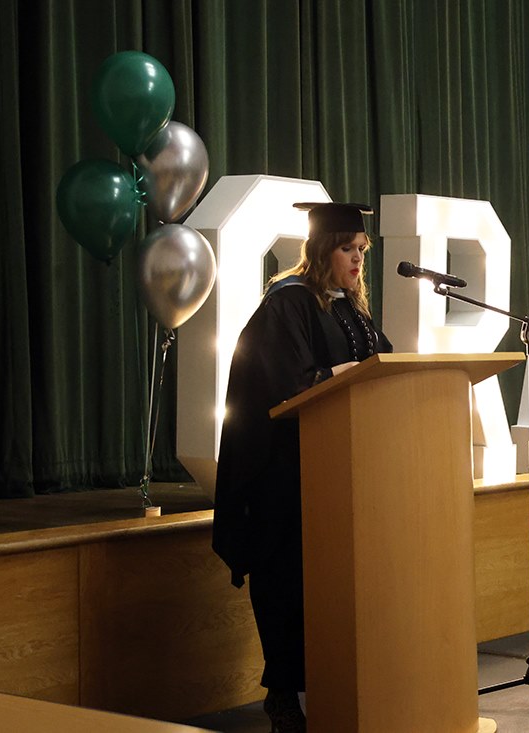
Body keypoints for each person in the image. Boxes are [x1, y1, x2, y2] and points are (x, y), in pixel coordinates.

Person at [212, 201, 392, 733]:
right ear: (319, 250)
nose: (358, 260)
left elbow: (382, 365)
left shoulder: (349, 308)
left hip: (343, 474)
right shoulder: (288, 303)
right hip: (289, 475)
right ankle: (283, 693)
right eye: (347, 249)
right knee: (289, 581)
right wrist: (348, 373)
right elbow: (285, 385)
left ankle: (340, 682)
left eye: (362, 250)